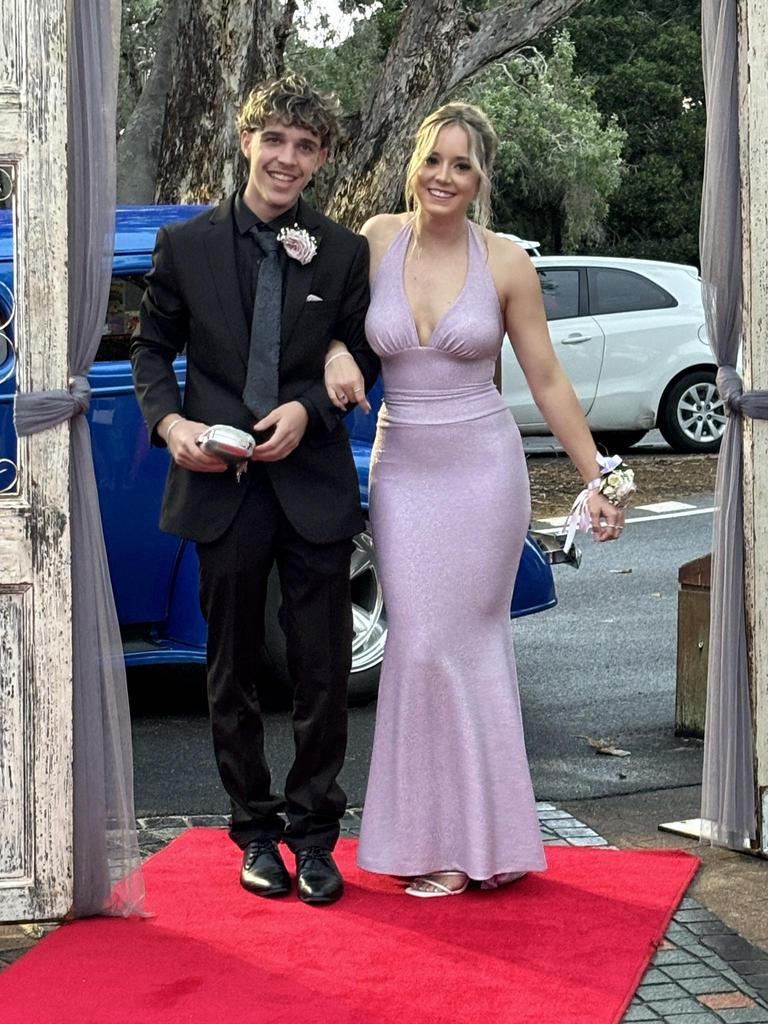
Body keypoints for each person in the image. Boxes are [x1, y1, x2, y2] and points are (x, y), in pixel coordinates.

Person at [324, 103, 626, 897]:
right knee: (417, 645)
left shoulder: (505, 264)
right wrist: (332, 352)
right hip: (402, 471)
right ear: (414, 163)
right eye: (434, 160)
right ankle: (429, 839)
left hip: (482, 473)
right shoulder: (378, 240)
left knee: (466, 643)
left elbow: (549, 379)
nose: (444, 177)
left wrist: (599, 476)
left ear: (480, 178)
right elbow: (329, 322)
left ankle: (480, 843)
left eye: (462, 165)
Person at [130, 74, 379, 905]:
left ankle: (316, 836)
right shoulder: (185, 245)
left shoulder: (343, 252)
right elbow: (150, 353)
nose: (288, 158)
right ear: (247, 142)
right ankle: (254, 830)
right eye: (275, 140)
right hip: (219, 486)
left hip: (311, 487)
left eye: (305, 147)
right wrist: (172, 429)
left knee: (322, 669)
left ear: (319, 161)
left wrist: (311, 408)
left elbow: (361, 355)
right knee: (230, 669)